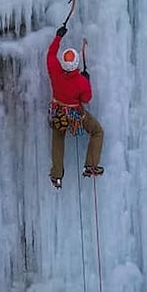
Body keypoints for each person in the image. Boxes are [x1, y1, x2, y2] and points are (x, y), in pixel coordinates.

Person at [46, 19, 104, 190]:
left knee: (58, 138)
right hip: (74, 115)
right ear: (76, 64)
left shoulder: (55, 70)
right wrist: (87, 79)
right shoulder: (80, 81)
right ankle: (90, 165)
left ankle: (56, 175)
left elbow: (50, 55)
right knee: (97, 131)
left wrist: (58, 37)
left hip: (57, 111)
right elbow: (86, 98)